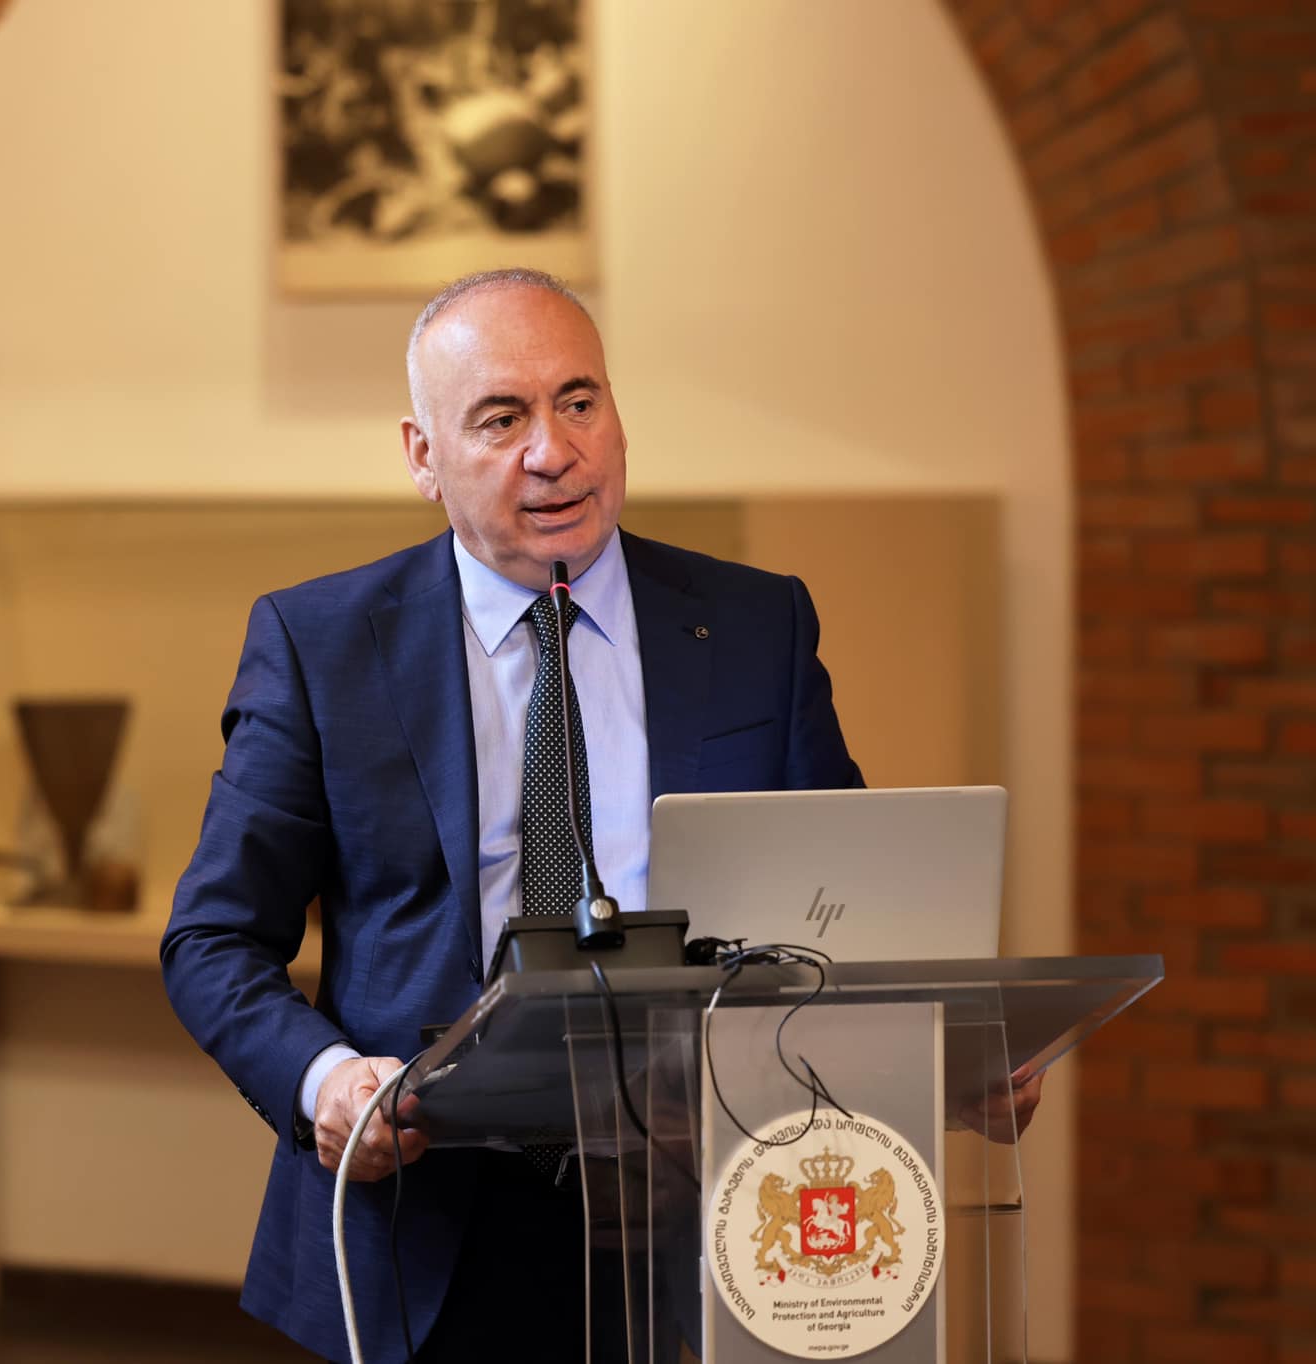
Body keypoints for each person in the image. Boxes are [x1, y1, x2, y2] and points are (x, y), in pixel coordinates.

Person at [160, 268, 1040, 1364]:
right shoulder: (321, 645)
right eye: (501, 418)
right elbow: (212, 939)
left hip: (712, 1210)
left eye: (578, 401)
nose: (552, 450)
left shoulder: (756, 625)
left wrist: (947, 1056)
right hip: (423, 1226)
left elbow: (839, 919)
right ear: (423, 455)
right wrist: (328, 1080)